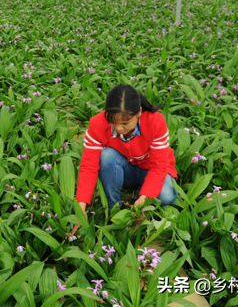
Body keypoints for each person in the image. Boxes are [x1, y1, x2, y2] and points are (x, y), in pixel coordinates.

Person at [71, 85, 178, 235]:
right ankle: (114, 208)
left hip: (151, 169)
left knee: (168, 195)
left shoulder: (155, 122)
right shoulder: (97, 125)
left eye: (125, 123)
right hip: (125, 168)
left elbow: (159, 167)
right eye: (113, 123)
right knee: (106, 155)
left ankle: (138, 197)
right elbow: (88, 167)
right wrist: (80, 207)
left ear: (139, 112)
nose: (119, 128)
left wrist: (144, 198)